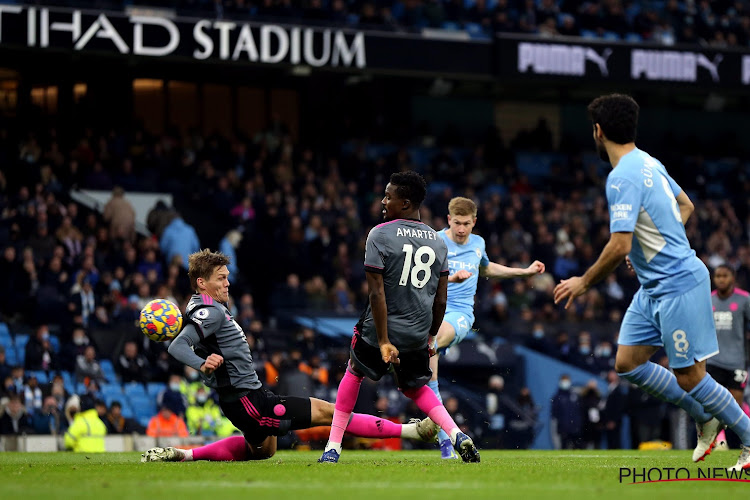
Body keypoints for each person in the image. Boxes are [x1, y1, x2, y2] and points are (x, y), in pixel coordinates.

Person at [553, 93, 750, 470]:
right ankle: (705, 416)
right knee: (627, 363)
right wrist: (649, 244)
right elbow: (686, 205)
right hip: (653, 286)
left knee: (690, 376)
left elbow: (618, 244)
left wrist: (583, 282)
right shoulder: (649, 161)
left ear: (598, 131)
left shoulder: (621, 176)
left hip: (677, 282)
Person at [141, 248, 439, 463]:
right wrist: (203, 364)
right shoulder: (208, 311)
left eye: (227, 277)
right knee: (330, 413)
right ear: (201, 283)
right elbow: (178, 346)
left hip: (241, 400)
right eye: (220, 278)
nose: (227, 283)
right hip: (250, 401)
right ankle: (413, 431)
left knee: (264, 452)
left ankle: (182, 455)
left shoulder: (201, 308)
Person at [319, 171, 480, 464]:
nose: (383, 201)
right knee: (417, 388)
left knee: (354, 372)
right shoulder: (438, 241)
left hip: (380, 330)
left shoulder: (379, 234)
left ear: (405, 203)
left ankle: (333, 447)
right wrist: (430, 337)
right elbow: (441, 300)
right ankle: (457, 434)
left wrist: (382, 340)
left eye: (388, 196)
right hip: (417, 333)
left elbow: (377, 295)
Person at [429, 196, 545, 458]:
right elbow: (423, 278)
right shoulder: (435, 241)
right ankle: (445, 442)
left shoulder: (478, 243)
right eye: (456, 223)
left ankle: (445, 439)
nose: (461, 229)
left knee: (431, 342)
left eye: (466, 223)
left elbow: (487, 269)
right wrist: (451, 279)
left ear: (474, 222)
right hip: (432, 311)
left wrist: (524, 272)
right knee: (429, 375)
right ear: (448, 219)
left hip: (459, 315)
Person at [709, 265, 750, 449]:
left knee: (735, 408)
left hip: (737, 362)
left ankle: (738, 445)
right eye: (717, 276)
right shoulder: (708, 300)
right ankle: (717, 442)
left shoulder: (744, 299)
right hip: (713, 361)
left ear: (732, 277)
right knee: (711, 406)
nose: (721, 279)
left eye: (724, 276)